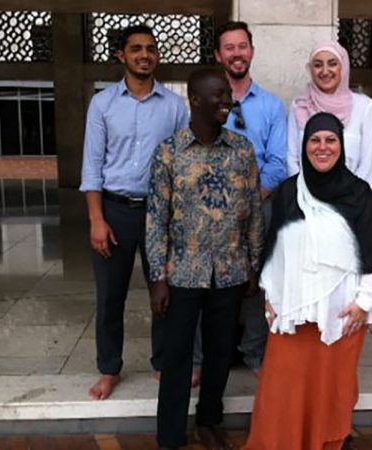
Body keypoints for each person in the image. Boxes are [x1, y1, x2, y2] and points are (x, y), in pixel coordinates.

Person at [244, 112, 372, 450]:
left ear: (341, 145)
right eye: (315, 140)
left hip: (342, 314)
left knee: (330, 390)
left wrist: (364, 303)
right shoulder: (289, 191)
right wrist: (271, 298)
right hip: (292, 311)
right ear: (305, 145)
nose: (322, 147)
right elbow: (275, 248)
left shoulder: (358, 194)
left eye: (330, 140)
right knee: (281, 391)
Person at [146, 68, 264, 450]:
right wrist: (157, 278)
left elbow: (252, 212)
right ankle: (170, 435)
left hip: (230, 271)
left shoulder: (242, 150)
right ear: (194, 99)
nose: (226, 100)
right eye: (217, 95)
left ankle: (209, 420)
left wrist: (253, 265)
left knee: (218, 354)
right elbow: (156, 218)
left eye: (227, 94)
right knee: (178, 357)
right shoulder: (169, 152)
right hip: (182, 273)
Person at [79, 25, 189, 400]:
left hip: (161, 214)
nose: (145, 54)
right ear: (121, 56)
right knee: (111, 296)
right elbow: (92, 167)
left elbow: (182, 167)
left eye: (151, 49)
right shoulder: (103, 105)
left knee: (165, 293)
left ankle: (162, 362)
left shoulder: (175, 107)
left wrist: (177, 221)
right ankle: (110, 368)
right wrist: (97, 219)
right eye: (137, 48)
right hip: (114, 211)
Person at [192, 20, 287, 385]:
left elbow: (278, 163)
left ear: (252, 51)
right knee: (205, 283)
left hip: (258, 207)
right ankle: (200, 359)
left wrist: (246, 202)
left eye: (242, 46)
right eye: (228, 47)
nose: (236, 53)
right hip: (209, 212)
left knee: (256, 282)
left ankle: (254, 352)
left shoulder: (272, 106)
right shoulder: (205, 102)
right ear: (218, 55)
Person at [287, 41, 372, 188]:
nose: (325, 71)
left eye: (332, 63)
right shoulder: (299, 106)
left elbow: (367, 163)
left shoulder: (363, 107)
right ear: (310, 69)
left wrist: (354, 198)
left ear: (343, 67)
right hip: (305, 201)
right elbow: (292, 158)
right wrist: (304, 196)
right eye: (318, 65)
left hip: (351, 201)